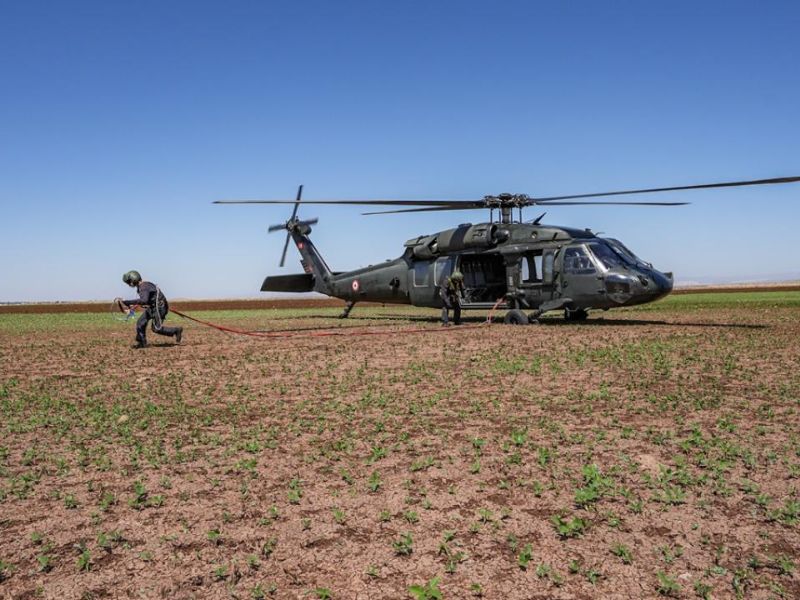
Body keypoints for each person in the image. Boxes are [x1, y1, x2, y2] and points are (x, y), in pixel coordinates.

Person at [117, 270, 183, 348]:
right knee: (140, 322)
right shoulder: (143, 286)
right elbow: (146, 301)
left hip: (159, 308)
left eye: (129, 282)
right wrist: (132, 307)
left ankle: (176, 330)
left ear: (133, 279)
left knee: (156, 329)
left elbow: (144, 300)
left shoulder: (144, 287)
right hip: (153, 307)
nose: (129, 284)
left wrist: (127, 302)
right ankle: (142, 342)